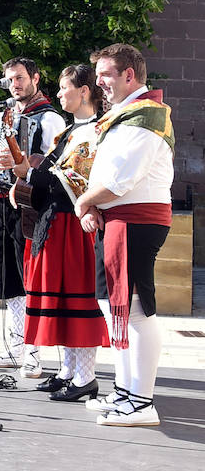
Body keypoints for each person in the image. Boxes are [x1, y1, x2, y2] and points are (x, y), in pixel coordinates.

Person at [74, 44, 175, 428]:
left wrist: (84, 203)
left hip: (136, 220)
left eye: (105, 75)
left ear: (129, 75)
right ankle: (125, 391)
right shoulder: (126, 114)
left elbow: (120, 180)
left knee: (134, 310)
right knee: (111, 306)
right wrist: (94, 206)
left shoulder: (147, 114)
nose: (98, 82)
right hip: (118, 219)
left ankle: (142, 401)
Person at [19, 64, 109, 402]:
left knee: (77, 299)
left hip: (75, 226)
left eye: (63, 87)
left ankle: (86, 376)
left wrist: (29, 172)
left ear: (83, 91)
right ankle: (69, 370)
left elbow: (74, 181)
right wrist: (28, 176)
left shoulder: (96, 132)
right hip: (56, 224)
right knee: (61, 299)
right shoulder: (73, 131)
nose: (58, 94)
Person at [0, 58, 65, 378]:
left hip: (30, 208)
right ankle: (16, 348)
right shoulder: (5, 115)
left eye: (19, 78)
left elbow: (54, 166)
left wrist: (24, 162)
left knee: (30, 280)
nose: (14, 84)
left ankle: (34, 353)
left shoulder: (50, 118)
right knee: (8, 279)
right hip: (0, 203)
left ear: (35, 79)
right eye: (10, 79)